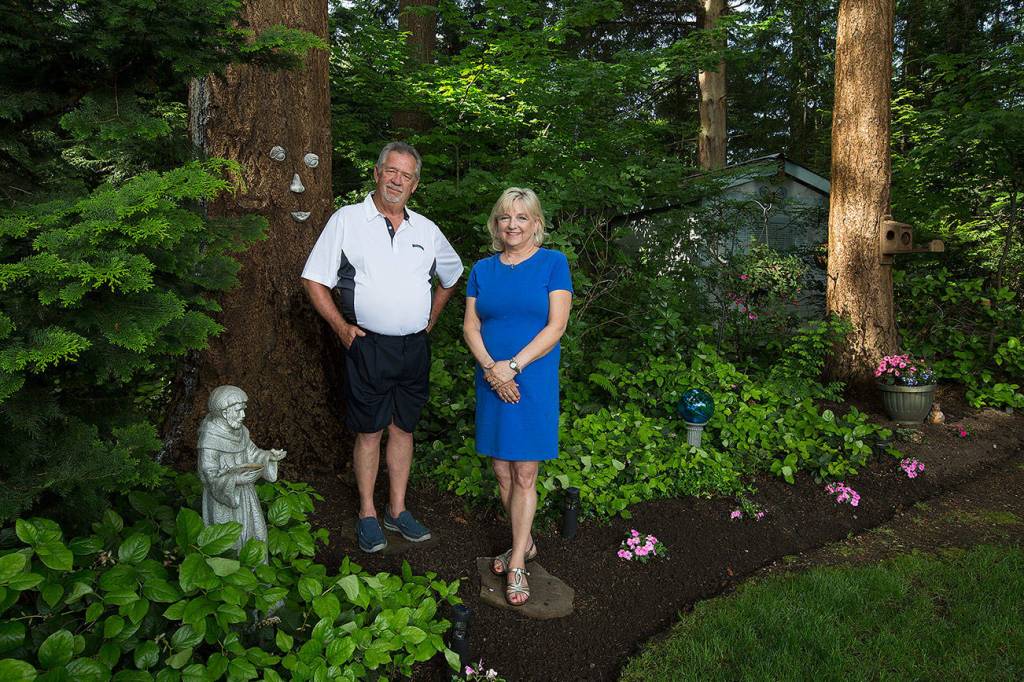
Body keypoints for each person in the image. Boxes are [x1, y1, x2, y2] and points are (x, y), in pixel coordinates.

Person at [301, 142, 463, 553]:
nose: (397, 180)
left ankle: (398, 509)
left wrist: (431, 319)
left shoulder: (426, 230)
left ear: (415, 185)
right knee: (370, 430)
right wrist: (340, 327)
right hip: (368, 346)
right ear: (377, 173)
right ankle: (368, 513)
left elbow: (452, 275)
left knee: (403, 429)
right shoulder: (347, 220)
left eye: (406, 175)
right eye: (391, 171)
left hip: (413, 348)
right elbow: (314, 279)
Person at [462, 187, 572, 605]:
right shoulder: (482, 270)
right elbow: (471, 326)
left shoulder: (553, 263)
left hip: (532, 380)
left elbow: (556, 326)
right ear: (496, 224)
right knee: (501, 472)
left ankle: (518, 563)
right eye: (505, 217)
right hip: (492, 379)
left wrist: (512, 366)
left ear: (536, 223)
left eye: (522, 217)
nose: (513, 224)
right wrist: (492, 369)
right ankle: (523, 541)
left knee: (525, 473)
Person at [197, 385, 287, 555]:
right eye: (238, 411)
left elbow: (252, 453)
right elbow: (208, 475)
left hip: (246, 495)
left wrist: (269, 456)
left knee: (255, 532)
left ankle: (254, 567)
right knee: (229, 541)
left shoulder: (240, 432)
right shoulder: (209, 438)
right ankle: (230, 569)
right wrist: (236, 480)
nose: (243, 415)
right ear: (225, 412)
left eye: (243, 409)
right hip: (223, 500)